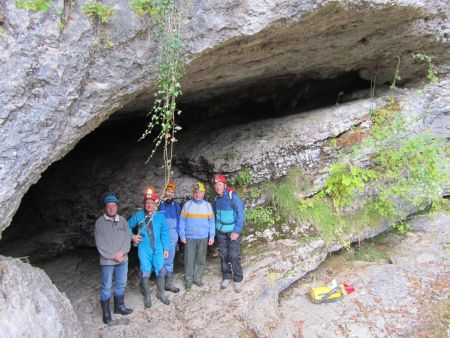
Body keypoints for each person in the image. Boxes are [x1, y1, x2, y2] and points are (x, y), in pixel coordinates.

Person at [94, 194, 133, 325]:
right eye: (109, 206)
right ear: (105, 208)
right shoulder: (99, 223)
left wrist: (122, 252)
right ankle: (106, 312)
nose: (111, 208)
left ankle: (119, 307)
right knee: (106, 286)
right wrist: (113, 255)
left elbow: (127, 238)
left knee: (121, 283)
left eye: (113, 206)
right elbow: (100, 243)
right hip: (107, 261)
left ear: (117, 207)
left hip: (123, 259)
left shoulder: (122, 220)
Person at [128, 191, 170, 307]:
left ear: (155, 204)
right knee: (145, 271)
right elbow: (127, 226)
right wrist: (132, 236)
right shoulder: (138, 215)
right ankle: (147, 295)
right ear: (144, 204)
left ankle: (160, 294)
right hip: (144, 248)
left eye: (152, 203)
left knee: (161, 269)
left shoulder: (160, 216)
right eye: (147, 202)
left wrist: (166, 248)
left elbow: (165, 233)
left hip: (158, 248)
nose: (149, 205)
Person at [179, 182, 215, 290]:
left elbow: (212, 221)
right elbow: (181, 221)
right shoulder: (187, 205)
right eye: (195, 192)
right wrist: (182, 235)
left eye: (200, 192)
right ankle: (188, 281)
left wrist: (212, 236)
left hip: (203, 237)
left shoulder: (208, 206)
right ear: (192, 193)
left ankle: (198, 279)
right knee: (189, 259)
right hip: (190, 237)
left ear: (203, 193)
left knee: (200, 259)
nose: (198, 194)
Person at [213, 175, 245, 293]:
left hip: (232, 230)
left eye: (220, 184)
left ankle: (237, 278)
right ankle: (226, 276)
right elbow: (215, 214)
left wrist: (237, 231)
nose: (218, 187)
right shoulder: (216, 198)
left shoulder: (233, 196)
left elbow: (241, 215)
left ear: (224, 185)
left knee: (234, 255)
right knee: (223, 255)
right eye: (216, 185)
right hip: (220, 230)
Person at [158, 182, 181, 293]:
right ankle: (158, 282)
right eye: (168, 192)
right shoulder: (158, 205)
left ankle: (168, 283)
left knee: (169, 260)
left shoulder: (176, 206)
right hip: (161, 236)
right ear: (164, 192)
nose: (170, 194)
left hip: (173, 237)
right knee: (158, 259)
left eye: (172, 192)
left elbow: (179, 221)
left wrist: (178, 235)